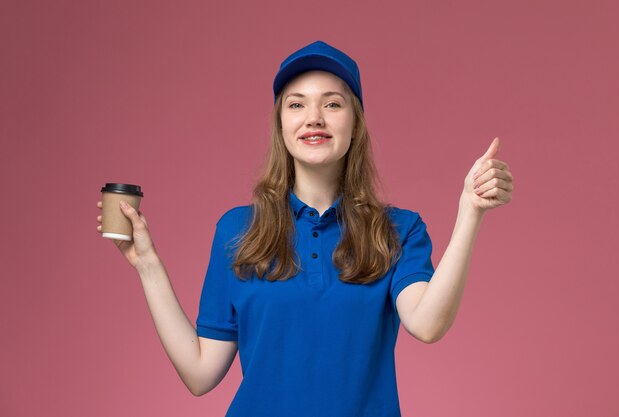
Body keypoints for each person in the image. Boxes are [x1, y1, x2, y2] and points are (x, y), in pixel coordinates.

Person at [96, 40, 514, 416]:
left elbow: (427, 324)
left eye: (332, 104)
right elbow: (201, 374)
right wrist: (147, 265)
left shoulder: (397, 230)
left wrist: (469, 212)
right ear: (281, 126)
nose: (313, 117)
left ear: (356, 124)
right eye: (296, 104)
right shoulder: (237, 230)